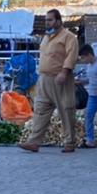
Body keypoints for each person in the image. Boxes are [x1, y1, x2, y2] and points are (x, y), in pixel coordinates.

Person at [19, 9, 80, 154]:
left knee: (66, 110)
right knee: (40, 110)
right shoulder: (46, 37)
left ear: (59, 21)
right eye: (46, 20)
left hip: (60, 78)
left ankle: (69, 142)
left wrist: (65, 72)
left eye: (50, 20)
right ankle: (34, 142)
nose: (48, 22)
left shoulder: (69, 37)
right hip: (44, 79)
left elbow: (71, 56)